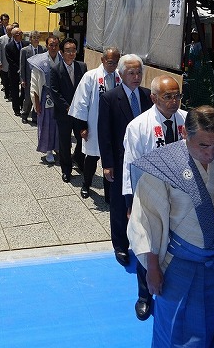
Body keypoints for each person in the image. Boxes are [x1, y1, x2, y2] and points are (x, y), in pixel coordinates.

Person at [127, 106, 214, 348]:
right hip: (183, 267)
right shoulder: (164, 165)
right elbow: (147, 218)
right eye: (203, 145)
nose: (211, 153)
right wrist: (152, 268)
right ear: (185, 134)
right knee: (180, 341)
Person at [122, 74, 187, 321]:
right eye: (167, 96)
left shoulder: (187, 121)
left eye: (177, 95)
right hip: (149, 198)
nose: (174, 101)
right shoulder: (138, 126)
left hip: (180, 198)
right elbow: (131, 166)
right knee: (147, 246)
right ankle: (144, 295)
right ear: (153, 98)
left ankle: (174, 293)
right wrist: (131, 204)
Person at [97, 53, 151, 266]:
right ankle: (120, 245)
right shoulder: (110, 98)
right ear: (120, 74)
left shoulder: (148, 96)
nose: (136, 77)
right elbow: (104, 133)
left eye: (139, 72)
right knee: (120, 204)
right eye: (131, 73)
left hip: (145, 160)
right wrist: (107, 164)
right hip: (120, 161)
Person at [68, 46, 121, 200]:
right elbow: (81, 103)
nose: (113, 66)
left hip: (114, 126)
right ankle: (86, 184)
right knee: (92, 157)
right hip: (95, 124)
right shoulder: (91, 76)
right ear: (102, 60)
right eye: (110, 62)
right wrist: (82, 127)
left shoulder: (120, 76)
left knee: (111, 160)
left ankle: (109, 193)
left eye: (116, 62)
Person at [50, 37, 87, 182]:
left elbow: (86, 89)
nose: (71, 53)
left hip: (79, 113)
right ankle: (66, 169)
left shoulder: (82, 67)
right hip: (64, 113)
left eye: (73, 50)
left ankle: (78, 158)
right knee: (64, 143)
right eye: (67, 51)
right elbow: (54, 92)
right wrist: (67, 107)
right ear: (61, 52)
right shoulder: (55, 69)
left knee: (82, 138)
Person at [29, 35, 60, 164]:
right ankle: (48, 150)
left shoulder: (62, 59)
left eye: (56, 45)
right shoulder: (40, 61)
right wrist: (36, 102)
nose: (53, 47)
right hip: (45, 96)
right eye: (51, 45)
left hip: (59, 97)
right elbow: (34, 83)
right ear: (46, 45)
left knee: (59, 124)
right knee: (47, 124)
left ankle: (58, 147)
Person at [20, 30, 45, 124]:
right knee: (28, 99)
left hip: (39, 78)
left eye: (38, 38)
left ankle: (35, 117)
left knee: (37, 97)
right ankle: (24, 115)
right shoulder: (24, 50)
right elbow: (22, 66)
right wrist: (22, 79)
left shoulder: (43, 50)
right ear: (30, 39)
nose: (36, 39)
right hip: (28, 78)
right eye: (34, 38)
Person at [5, 27, 28, 116]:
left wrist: (23, 69)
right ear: (13, 36)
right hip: (14, 71)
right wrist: (19, 69)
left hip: (24, 72)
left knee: (24, 90)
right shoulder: (9, 46)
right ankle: (16, 109)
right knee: (14, 91)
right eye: (18, 34)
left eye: (21, 33)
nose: (20, 35)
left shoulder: (26, 44)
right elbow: (10, 60)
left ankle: (21, 104)